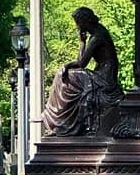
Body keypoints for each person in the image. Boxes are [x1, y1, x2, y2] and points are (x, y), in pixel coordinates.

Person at [42, 7, 123, 136]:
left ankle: (61, 121)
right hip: (101, 72)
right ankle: (60, 121)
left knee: (65, 75)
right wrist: (82, 42)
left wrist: (67, 65)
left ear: (85, 21)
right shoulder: (97, 32)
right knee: (65, 75)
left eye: (78, 23)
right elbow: (81, 62)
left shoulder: (97, 37)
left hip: (104, 77)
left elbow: (81, 63)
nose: (77, 26)